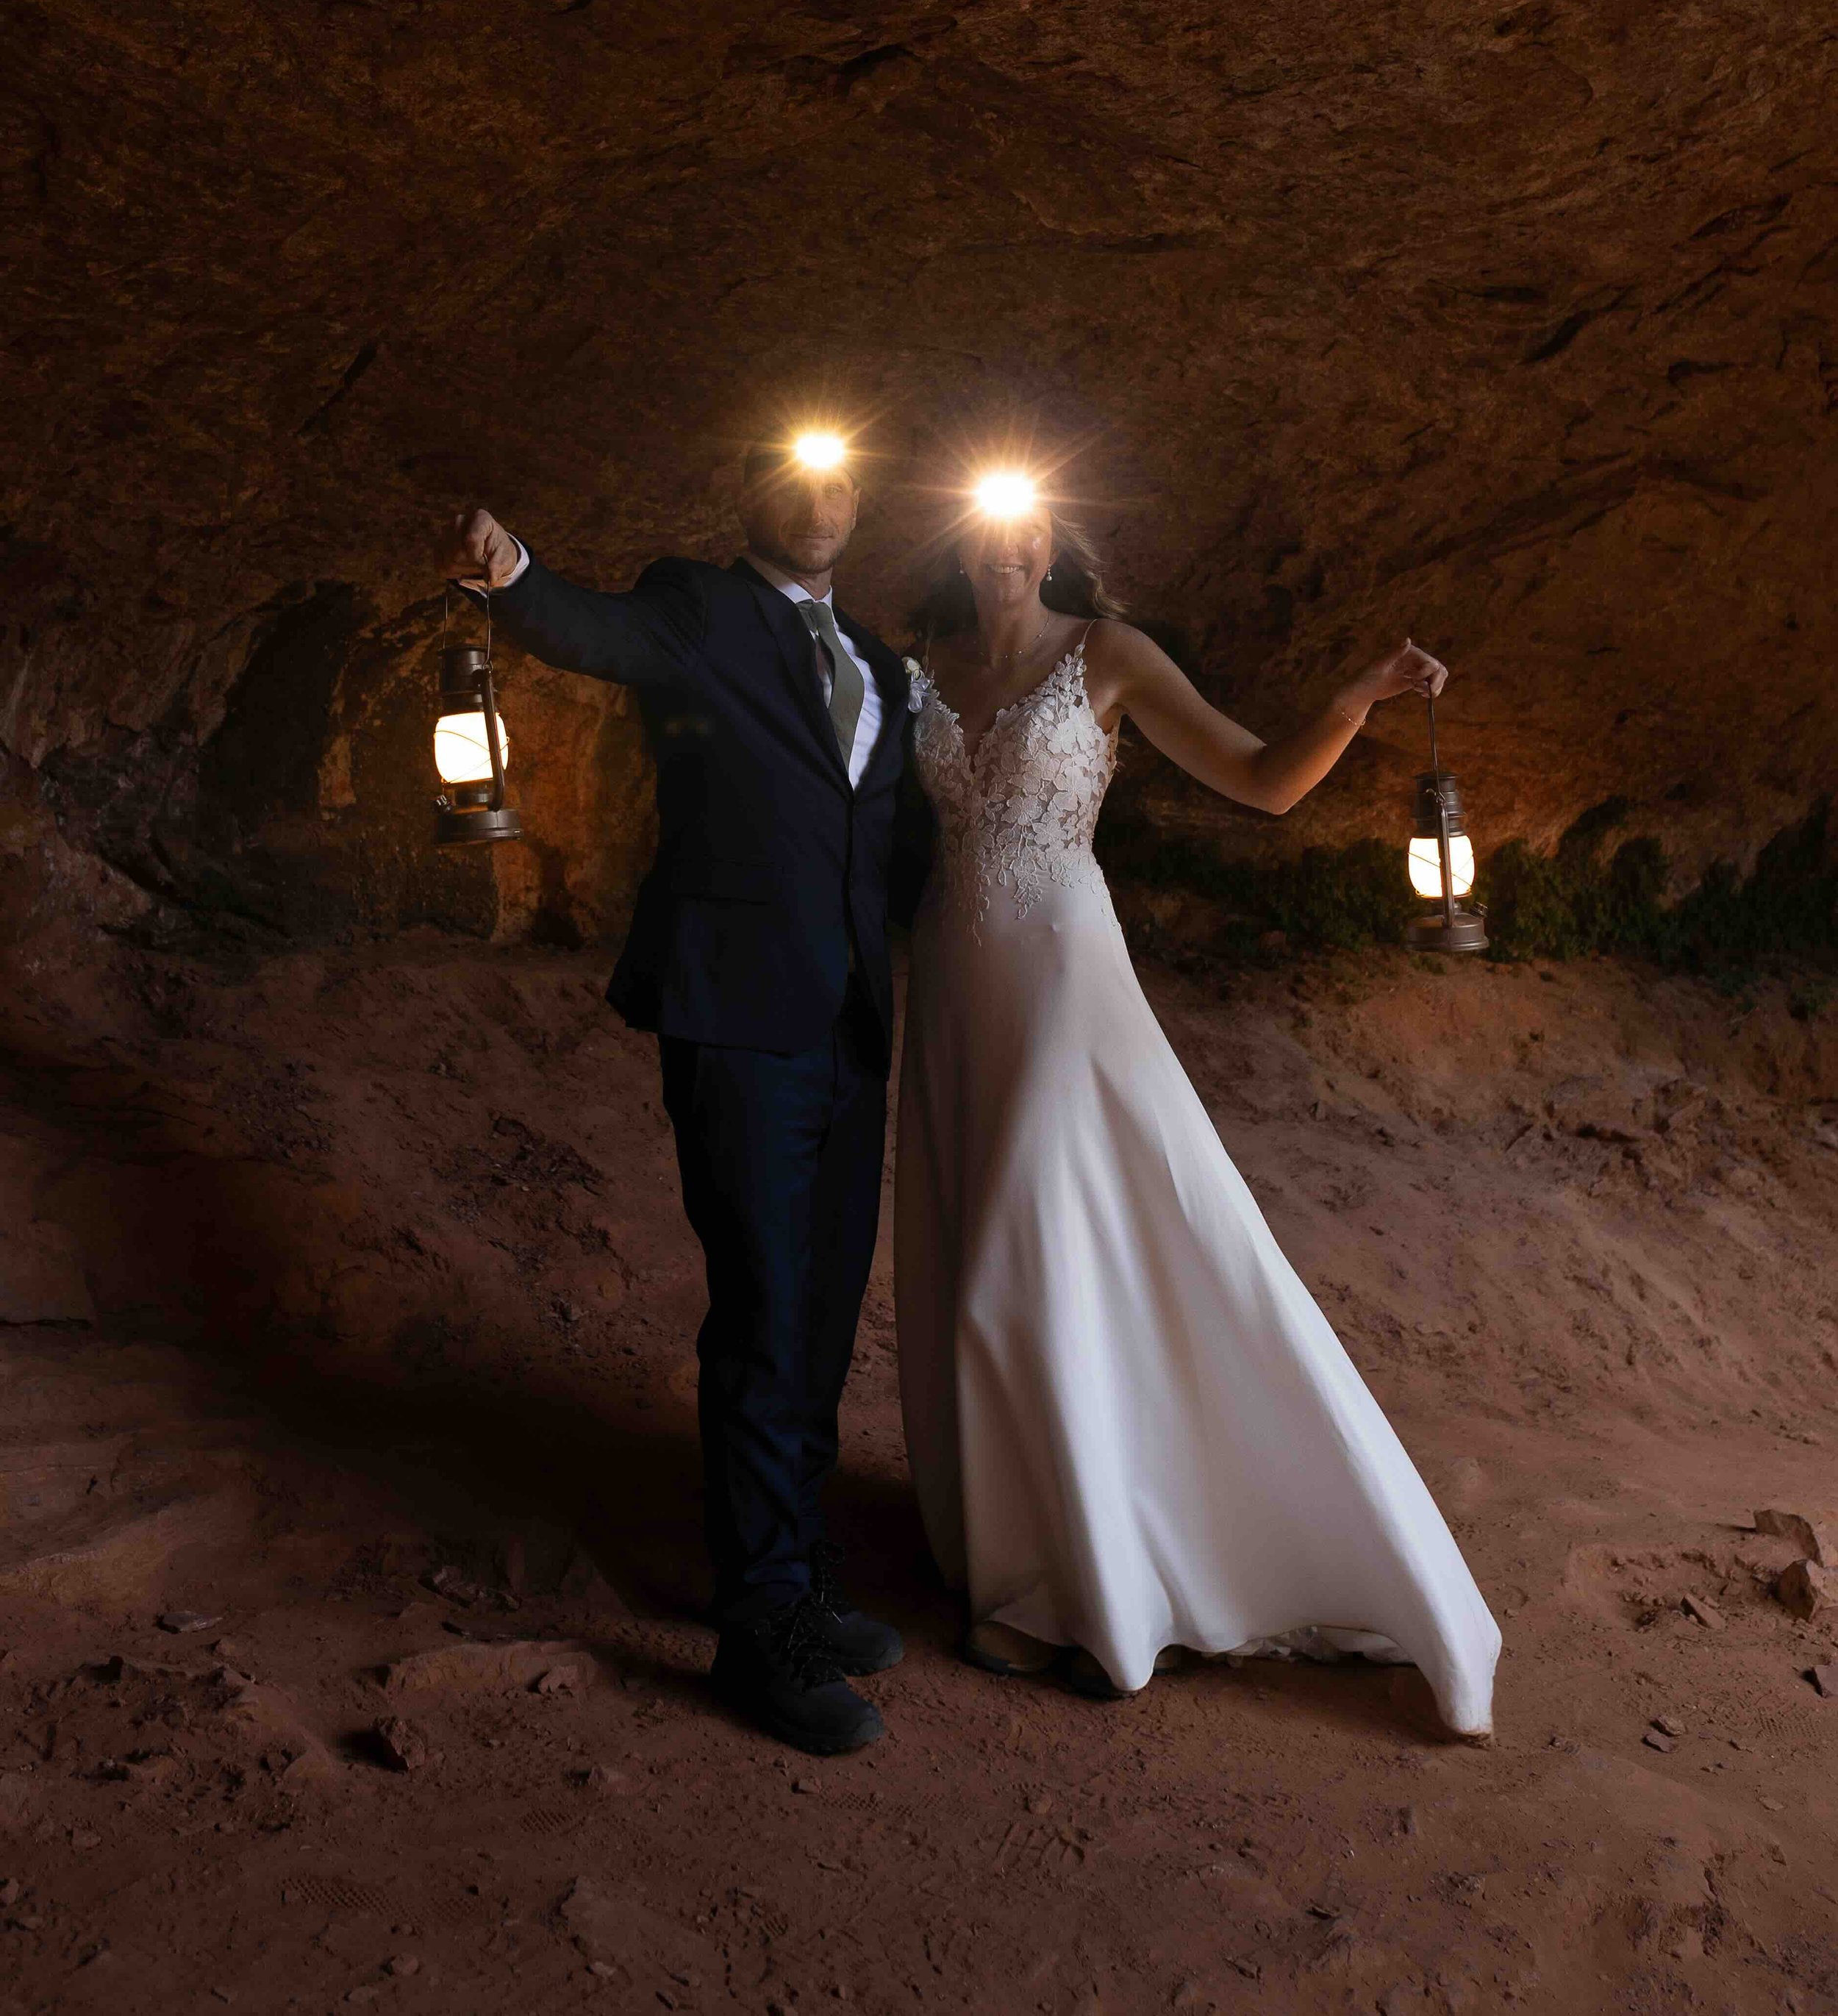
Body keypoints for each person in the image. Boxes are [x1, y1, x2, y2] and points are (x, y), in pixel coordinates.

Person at [895, 477, 1500, 1736]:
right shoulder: (925, 666)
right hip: (952, 987)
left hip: (1066, 979)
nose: (1008, 545)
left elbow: (1268, 782)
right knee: (976, 1259)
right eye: (984, 522)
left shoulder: (1107, 654)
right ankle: (1025, 1556)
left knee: (1023, 1257)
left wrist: (1353, 696)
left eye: (1031, 523)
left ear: (1052, 543)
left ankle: (1090, 1594)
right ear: (956, 540)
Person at [443, 439, 921, 1756]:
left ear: (861, 506)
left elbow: (899, 848)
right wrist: (513, 572)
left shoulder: (881, 665)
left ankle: (800, 1575)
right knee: (764, 1313)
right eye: (795, 472)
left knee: (822, 1320)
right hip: (738, 1025)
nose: (820, 497)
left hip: (851, 1036)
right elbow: (591, 631)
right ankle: (759, 1628)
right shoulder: (697, 609)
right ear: (751, 499)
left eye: (842, 476)